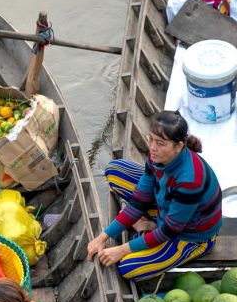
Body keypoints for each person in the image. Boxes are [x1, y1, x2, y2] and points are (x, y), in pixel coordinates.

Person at [86, 110, 223, 280]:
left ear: (178, 146)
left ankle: (149, 228)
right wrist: (103, 236)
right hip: (166, 207)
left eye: (160, 143)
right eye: (150, 138)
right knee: (115, 170)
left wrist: (122, 249)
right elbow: (138, 202)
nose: (152, 147)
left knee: (127, 267)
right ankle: (148, 226)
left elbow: (169, 231)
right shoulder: (156, 157)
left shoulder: (190, 180)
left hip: (190, 234)